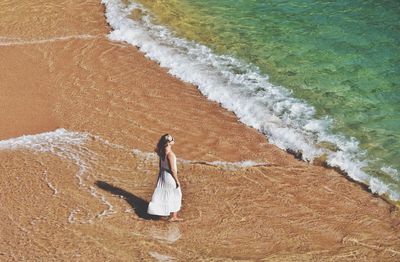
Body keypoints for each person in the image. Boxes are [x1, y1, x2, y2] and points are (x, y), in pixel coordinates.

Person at [147, 134, 183, 221]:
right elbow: (172, 170)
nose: (174, 140)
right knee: (176, 195)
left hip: (163, 175)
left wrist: (160, 176)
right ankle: (174, 217)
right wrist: (177, 180)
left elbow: (160, 166)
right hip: (170, 177)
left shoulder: (162, 152)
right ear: (168, 143)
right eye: (172, 139)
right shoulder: (170, 154)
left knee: (163, 195)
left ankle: (161, 214)